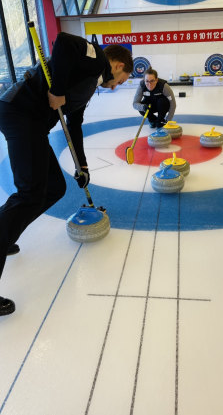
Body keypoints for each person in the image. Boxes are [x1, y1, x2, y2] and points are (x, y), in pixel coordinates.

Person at [0, 31, 133, 316]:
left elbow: (74, 124)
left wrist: (81, 166)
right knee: (30, 194)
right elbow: (63, 42)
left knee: (53, 189)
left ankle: (5, 232)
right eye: (120, 82)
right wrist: (57, 89)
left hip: (32, 123)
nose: (114, 87)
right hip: (19, 113)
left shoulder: (89, 84)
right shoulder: (95, 56)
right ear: (119, 65)